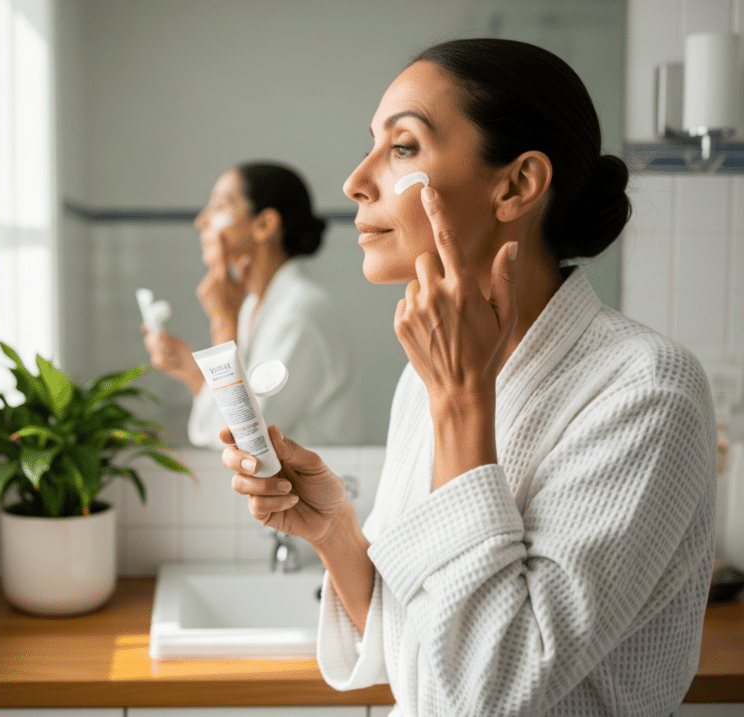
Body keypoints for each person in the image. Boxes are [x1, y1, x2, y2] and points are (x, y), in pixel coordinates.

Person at [223, 39, 717, 715]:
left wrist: (463, 403)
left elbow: (486, 695)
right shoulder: (424, 380)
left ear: (516, 184)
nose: (355, 180)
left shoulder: (646, 390)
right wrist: (336, 530)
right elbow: (422, 662)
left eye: (402, 147)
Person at [144, 162, 364, 448]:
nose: (201, 221)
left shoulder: (299, 315)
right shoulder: (254, 307)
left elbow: (242, 435)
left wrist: (223, 325)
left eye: (220, 207)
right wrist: (192, 371)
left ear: (264, 225)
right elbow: (234, 412)